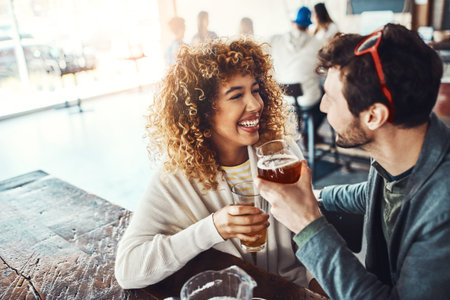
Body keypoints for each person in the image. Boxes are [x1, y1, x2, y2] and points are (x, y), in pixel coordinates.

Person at [256, 23, 450, 299]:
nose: (322, 106)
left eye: (331, 98)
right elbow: (373, 194)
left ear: (374, 116)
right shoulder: (402, 153)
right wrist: (313, 197)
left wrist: (307, 223)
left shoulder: (443, 212)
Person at [115, 38, 309, 289]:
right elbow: (128, 269)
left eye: (256, 90)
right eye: (236, 95)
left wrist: (317, 286)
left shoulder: (281, 153)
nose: (255, 104)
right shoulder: (175, 176)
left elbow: (308, 234)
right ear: (201, 110)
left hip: (291, 291)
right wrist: (212, 229)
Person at [269, 6, 325, 144]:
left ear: (293, 22)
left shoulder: (276, 40)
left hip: (283, 98)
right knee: (326, 99)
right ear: (309, 25)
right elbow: (322, 72)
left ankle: (302, 131)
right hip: (307, 99)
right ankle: (309, 132)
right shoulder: (317, 43)